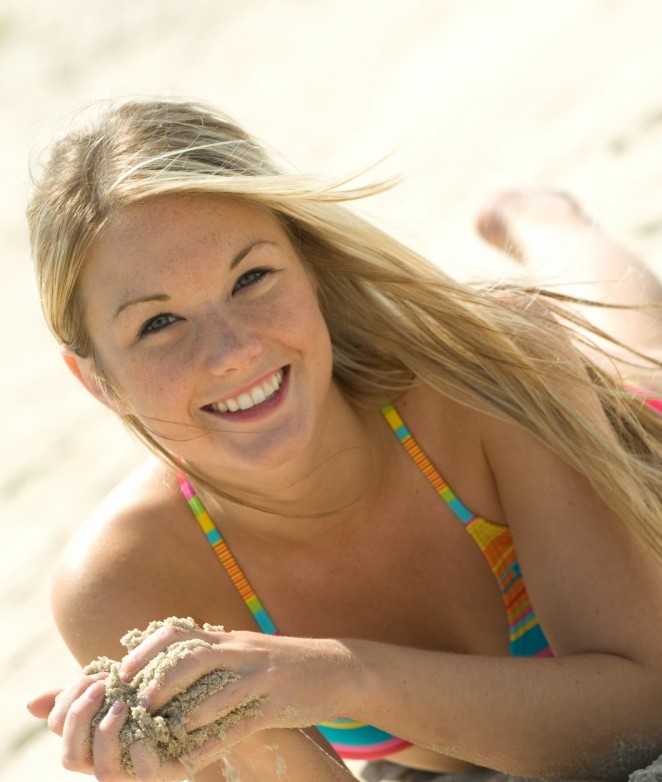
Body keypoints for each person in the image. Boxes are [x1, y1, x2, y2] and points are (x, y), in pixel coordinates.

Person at [25, 98, 662, 782]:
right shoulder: (127, 580)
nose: (234, 352)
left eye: (251, 278)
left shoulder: (484, 377)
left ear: (309, 267)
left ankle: (541, 219)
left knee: (639, 367)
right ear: (96, 379)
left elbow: (639, 718)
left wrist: (334, 675)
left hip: (625, 463)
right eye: (158, 324)